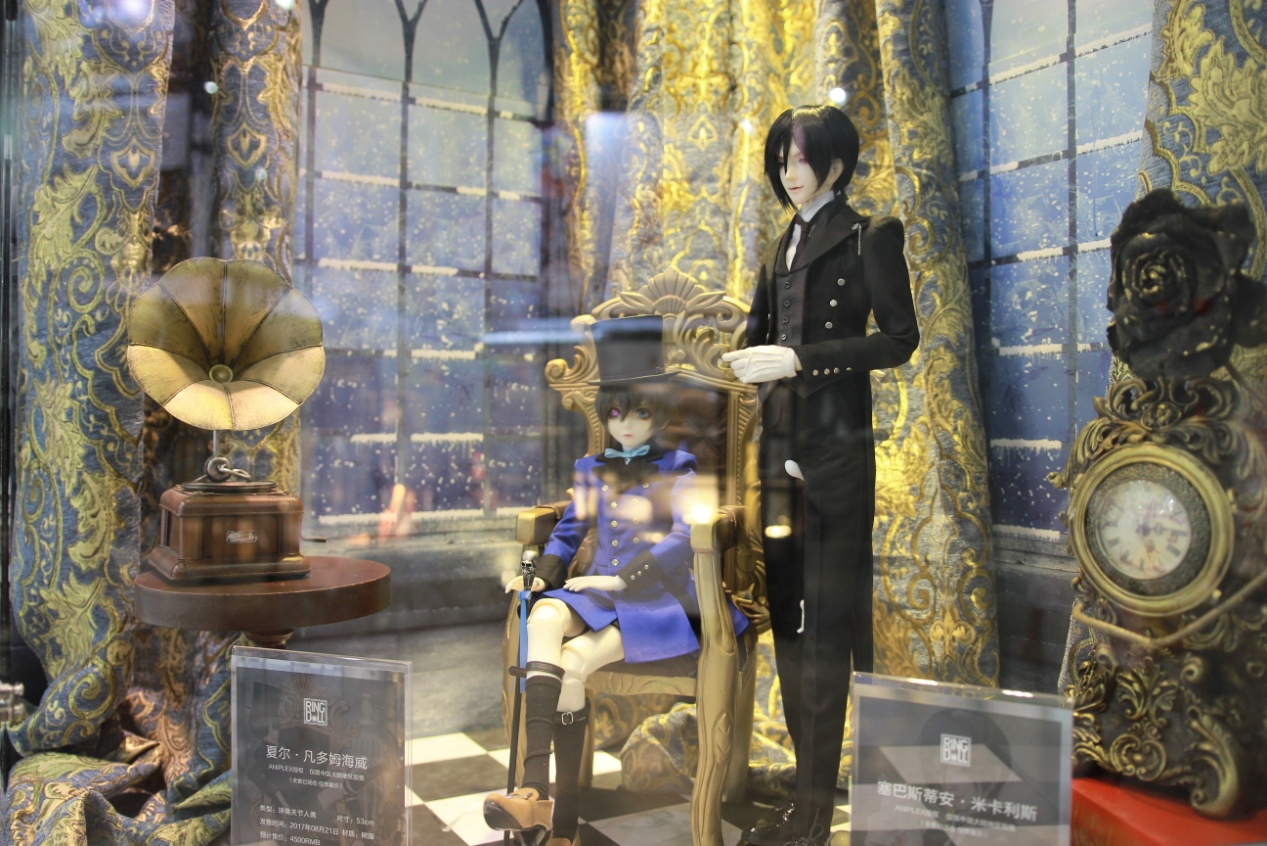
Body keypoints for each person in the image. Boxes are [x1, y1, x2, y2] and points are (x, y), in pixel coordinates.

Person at [721, 104, 919, 845]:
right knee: (788, 620)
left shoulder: (870, 235)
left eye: (800, 158)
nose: (788, 172)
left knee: (829, 625)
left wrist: (800, 359)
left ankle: (814, 810)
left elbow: (900, 340)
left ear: (835, 163)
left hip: (836, 455)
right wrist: (740, 360)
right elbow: (758, 330)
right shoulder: (782, 242)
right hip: (778, 452)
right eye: (780, 159)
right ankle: (805, 793)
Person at [484, 316, 750, 846]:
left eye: (641, 413)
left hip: (655, 600)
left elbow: (685, 535)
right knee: (542, 615)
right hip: (595, 595)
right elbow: (568, 532)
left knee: (574, 663)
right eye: (615, 414)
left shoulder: (679, 467)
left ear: (659, 415)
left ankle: (562, 822)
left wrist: (624, 580)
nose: (626, 426)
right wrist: (539, 577)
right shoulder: (591, 468)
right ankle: (534, 791)